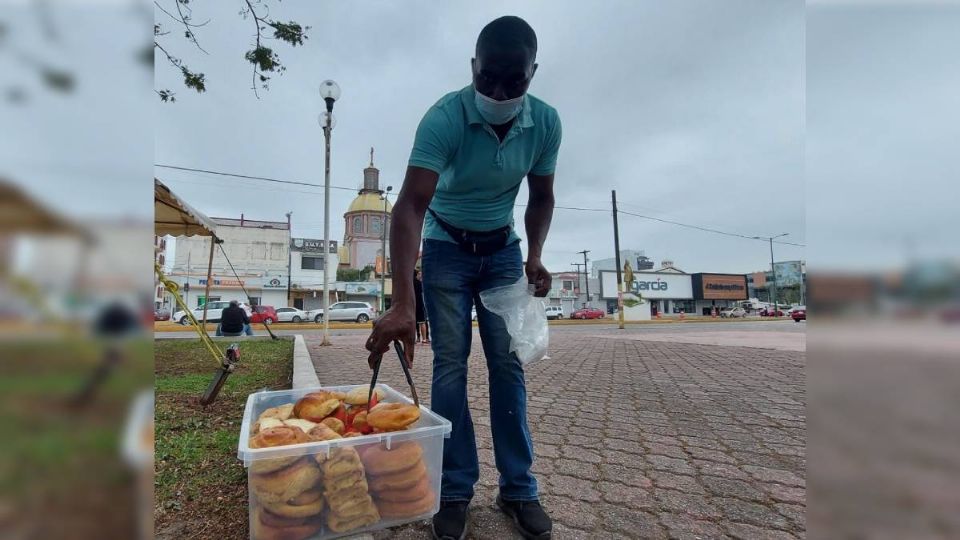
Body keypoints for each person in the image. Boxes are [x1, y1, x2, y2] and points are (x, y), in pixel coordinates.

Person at [365, 15, 560, 540]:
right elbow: (408, 207)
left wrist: (534, 255)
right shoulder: (444, 118)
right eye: (487, 78)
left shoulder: (544, 123)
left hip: (501, 252)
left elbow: (541, 197)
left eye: (513, 81)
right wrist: (405, 302)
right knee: (450, 367)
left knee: (508, 366)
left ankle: (519, 489)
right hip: (446, 247)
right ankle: (453, 489)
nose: (498, 92)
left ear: (532, 73)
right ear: (472, 68)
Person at [414, 269, 430, 344]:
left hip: (418, 305)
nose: (420, 275)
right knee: (422, 322)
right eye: (419, 274)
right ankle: (423, 338)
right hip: (419, 305)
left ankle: (423, 338)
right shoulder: (420, 284)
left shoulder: (413, 283)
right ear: (416, 275)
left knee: (420, 322)